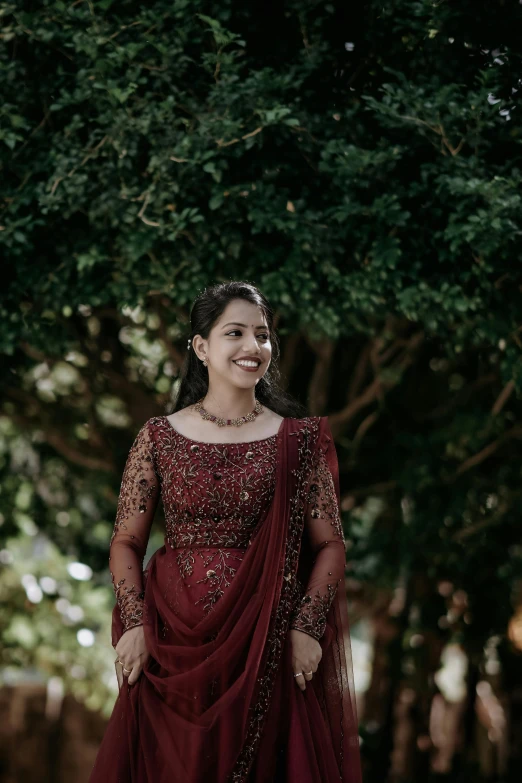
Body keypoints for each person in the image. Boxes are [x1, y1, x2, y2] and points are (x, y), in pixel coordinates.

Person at [89, 281, 362, 783]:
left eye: (262, 335)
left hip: (266, 642)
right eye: (234, 333)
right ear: (200, 347)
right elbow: (127, 540)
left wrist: (305, 628)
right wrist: (132, 623)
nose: (252, 347)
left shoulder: (298, 442)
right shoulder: (158, 437)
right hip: (170, 646)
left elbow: (330, 545)